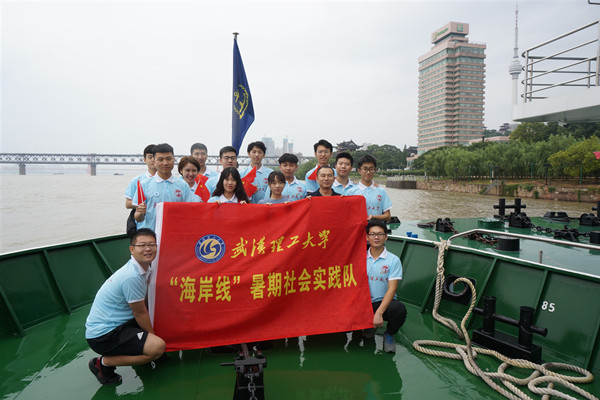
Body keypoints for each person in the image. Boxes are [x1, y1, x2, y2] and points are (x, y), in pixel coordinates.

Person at [86, 228, 166, 385]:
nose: (148, 248)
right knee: (157, 347)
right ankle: (102, 364)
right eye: (142, 245)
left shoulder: (144, 267)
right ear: (132, 249)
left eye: (152, 244)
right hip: (104, 334)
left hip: (120, 323)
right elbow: (139, 312)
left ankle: (143, 346)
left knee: (159, 318)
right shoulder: (131, 276)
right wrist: (153, 337)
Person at [364, 220, 407, 353]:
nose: (376, 237)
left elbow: (392, 289)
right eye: (372, 234)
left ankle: (389, 334)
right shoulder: (359, 257)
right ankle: (368, 326)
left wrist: (379, 313)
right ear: (367, 237)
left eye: (380, 234)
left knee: (399, 309)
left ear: (386, 237)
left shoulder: (393, 260)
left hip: (382, 303)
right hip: (362, 303)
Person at [133, 143, 192, 230]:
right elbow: (138, 217)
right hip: (151, 237)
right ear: (154, 161)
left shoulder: (183, 185)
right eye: (160, 159)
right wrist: (140, 213)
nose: (165, 163)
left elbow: (190, 211)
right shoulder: (144, 184)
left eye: (168, 159)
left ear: (174, 159)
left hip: (175, 233)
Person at [345, 155, 392, 221]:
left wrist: (374, 217)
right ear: (359, 171)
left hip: (376, 229)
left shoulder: (381, 191)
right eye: (365, 169)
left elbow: (388, 216)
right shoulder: (351, 192)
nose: (368, 172)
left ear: (375, 170)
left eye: (371, 169)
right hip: (358, 230)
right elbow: (346, 215)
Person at [125, 144, 156, 210]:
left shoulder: (166, 180)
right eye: (150, 157)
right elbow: (127, 203)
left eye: (155, 157)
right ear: (144, 159)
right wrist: (146, 204)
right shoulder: (137, 180)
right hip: (143, 219)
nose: (153, 160)